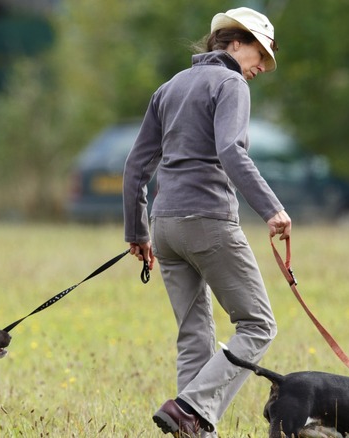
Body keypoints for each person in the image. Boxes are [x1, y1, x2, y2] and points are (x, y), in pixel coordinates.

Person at [122, 7, 292, 437]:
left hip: (164, 228)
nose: (260, 67)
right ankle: (192, 407)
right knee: (258, 324)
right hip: (208, 221)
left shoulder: (170, 86)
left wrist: (137, 232)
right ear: (235, 42)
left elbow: (136, 166)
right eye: (259, 54)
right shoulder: (230, 82)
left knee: (193, 333)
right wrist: (272, 208)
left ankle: (195, 428)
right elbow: (232, 151)